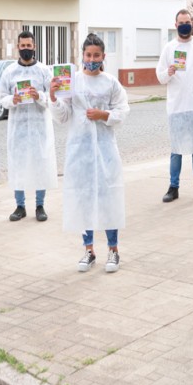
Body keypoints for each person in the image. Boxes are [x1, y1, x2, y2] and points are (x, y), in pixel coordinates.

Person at [49, 33, 129, 273]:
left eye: (96, 55)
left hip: (105, 151)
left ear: (103, 57)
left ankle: (113, 250)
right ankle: (89, 250)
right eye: (88, 55)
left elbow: (123, 110)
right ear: (81, 56)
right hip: (80, 151)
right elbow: (63, 116)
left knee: (109, 199)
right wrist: (52, 96)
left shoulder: (111, 82)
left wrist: (103, 115)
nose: (91, 59)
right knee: (83, 199)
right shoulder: (72, 81)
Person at [155, 9, 193, 204]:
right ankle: (173, 187)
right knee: (176, 150)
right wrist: (169, 72)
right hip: (176, 107)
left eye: (187, 21)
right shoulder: (169, 48)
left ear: (192, 23)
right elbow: (160, 76)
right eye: (181, 22)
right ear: (175, 25)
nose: (184, 25)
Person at [0, 31, 56, 222]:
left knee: (41, 163)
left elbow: (53, 97)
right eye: (23, 46)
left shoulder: (44, 71)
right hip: (18, 126)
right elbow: (0, 95)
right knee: (18, 164)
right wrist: (11, 99)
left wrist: (40, 96)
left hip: (40, 126)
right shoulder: (10, 71)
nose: (26, 49)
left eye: (29, 46)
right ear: (18, 47)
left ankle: (40, 205)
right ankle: (20, 205)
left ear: (34, 47)